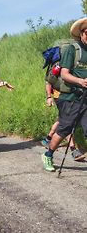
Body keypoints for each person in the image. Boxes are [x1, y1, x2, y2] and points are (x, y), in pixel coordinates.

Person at [42, 17, 87, 172]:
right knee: (64, 129)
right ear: (81, 34)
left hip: (85, 99)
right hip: (70, 98)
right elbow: (65, 74)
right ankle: (48, 154)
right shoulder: (72, 49)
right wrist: (81, 82)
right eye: (86, 32)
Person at [41, 82, 85, 161]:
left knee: (62, 120)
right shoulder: (60, 70)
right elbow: (49, 82)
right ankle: (73, 149)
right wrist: (49, 97)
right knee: (67, 122)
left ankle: (48, 138)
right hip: (61, 98)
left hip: (73, 98)